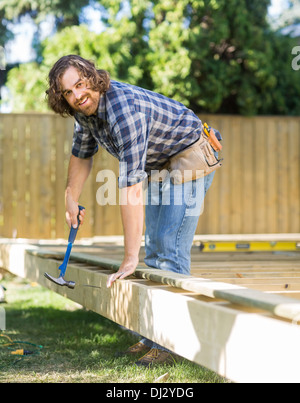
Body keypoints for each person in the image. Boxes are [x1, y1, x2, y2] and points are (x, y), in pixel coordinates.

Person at [46, 55, 222, 367]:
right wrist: (69, 196)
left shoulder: (123, 110)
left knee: (169, 249)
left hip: (191, 154)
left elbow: (131, 190)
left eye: (80, 85)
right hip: (160, 163)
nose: (76, 96)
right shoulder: (84, 112)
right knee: (154, 251)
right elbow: (82, 155)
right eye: (68, 93)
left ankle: (171, 344)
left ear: (91, 77)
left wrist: (129, 257)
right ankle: (151, 336)